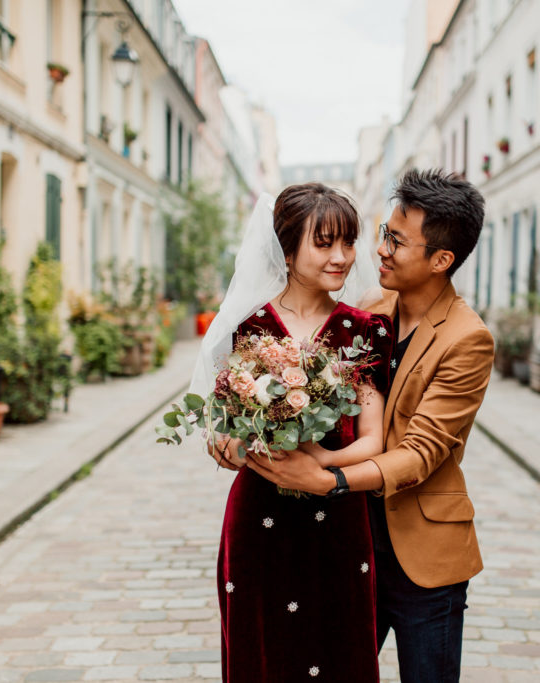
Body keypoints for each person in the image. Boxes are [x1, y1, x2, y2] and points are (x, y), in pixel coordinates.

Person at [248, 168, 493, 682]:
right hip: (350, 545)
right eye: (384, 234)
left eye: (397, 241)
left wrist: (329, 477)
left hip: (423, 561)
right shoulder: (368, 311)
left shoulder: (468, 339)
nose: (380, 250)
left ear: (440, 260)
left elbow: (421, 453)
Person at [201, 183, 394, 682]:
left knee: (339, 648)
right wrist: (228, 445)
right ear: (287, 249)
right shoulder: (248, 327)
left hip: (339, 516)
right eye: (325, 243)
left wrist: (320, 466)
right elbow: (221, 427)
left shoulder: (363, 330)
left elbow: (374, 439)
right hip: (259, 517)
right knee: (263, 651)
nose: (342, 257)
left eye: (348, 243)